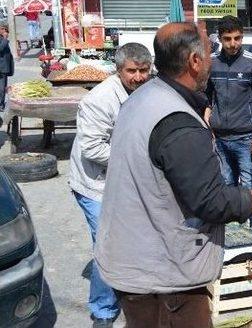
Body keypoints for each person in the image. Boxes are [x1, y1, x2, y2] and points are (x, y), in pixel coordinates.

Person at [95, 23, 252, 327]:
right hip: (162, 275)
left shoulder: (144, 95)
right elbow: (212, 202)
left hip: (135, 259)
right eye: (209, 50)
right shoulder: (177, 121)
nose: (214, 57)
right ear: (194, 61)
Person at [69, 43, 153, 328]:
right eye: (132, 71)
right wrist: (137, 159)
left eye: (144, 70)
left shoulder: (146, 90)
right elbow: (92, 148)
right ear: (119, 71)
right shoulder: (101, 99)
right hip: (96, 186)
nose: (139, 77)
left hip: (126, 182)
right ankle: (103, 311)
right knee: (107, 246)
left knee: (131, 239)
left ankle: (129, 290)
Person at [206, 16, 252, 236]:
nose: (233, 43)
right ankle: (232, 238)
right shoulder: (211, 62)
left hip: (247, 140)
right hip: (220, 141)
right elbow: (206, 98)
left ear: (242, 36)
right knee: (225, 189)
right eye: (228, 39)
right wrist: (208, 126)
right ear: (219, 38)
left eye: (237, 38)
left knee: (251, 191)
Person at [0, 22, 15, 113]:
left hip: (3, 67)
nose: (5, 31)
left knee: (2, 87)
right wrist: (5, 39)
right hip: (1, 67)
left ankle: (1, 103)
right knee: (1, 88)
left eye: (6, 30)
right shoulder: (3, 39)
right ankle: (1, 104)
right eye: (3, 29)